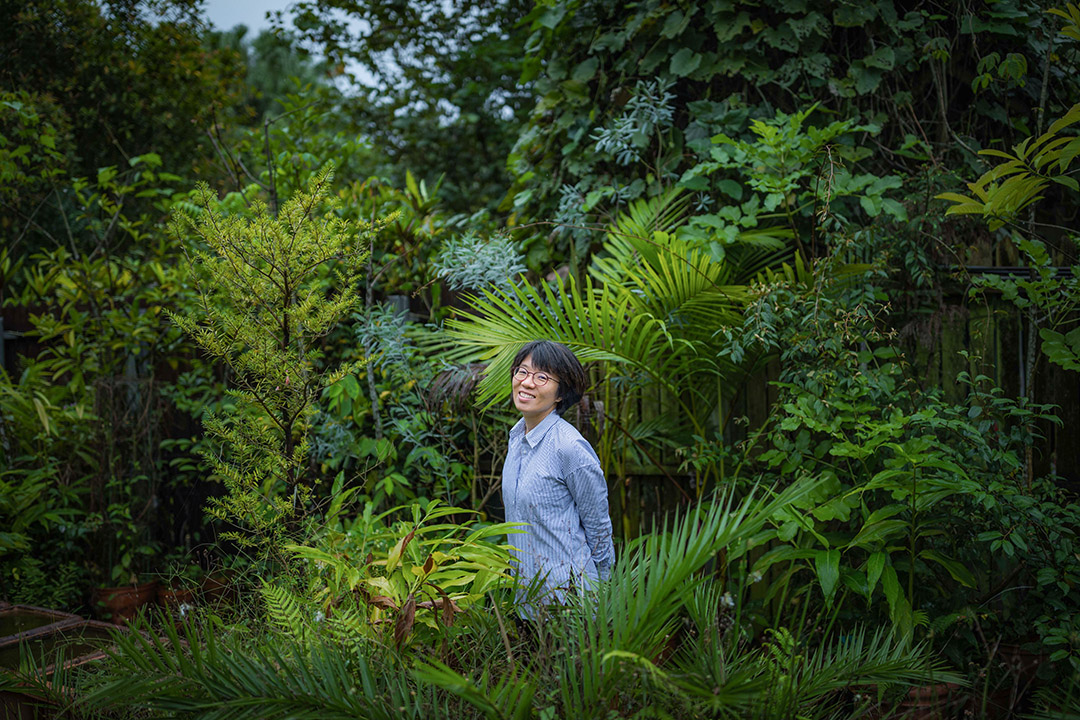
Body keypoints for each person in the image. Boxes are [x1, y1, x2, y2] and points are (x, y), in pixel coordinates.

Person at [501, 340, 615, 614]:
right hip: (525, 602)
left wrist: (603, 602)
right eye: (522, 372)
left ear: (561, 394)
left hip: (569, 605)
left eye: (542, 377)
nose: (527, 383)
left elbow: (599, 530)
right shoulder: (516, 439)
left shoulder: (569, 448)